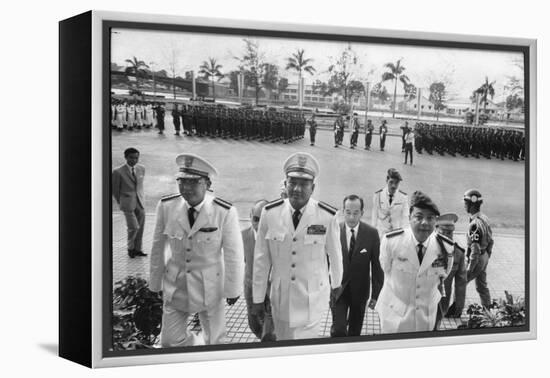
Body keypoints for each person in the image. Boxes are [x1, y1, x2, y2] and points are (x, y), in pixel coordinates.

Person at [148, 153, 244, 346]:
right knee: (169, 341)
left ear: (207, 185)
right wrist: (154, 284)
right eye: (181, 182)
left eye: (194, 182)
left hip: (209, 285)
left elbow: (234, 254)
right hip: (176, 285)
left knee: (216, 341)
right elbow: (157, 247)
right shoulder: (167, 206)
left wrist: (233, 289)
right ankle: (196, 347)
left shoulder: (223, 211)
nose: (186, 188)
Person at [251, 152, 343, 340]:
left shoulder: (326, 216)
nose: (297, 189)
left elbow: (335, 256)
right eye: (292, 182)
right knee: (284, 345)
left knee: (305, 350)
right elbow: (261, 260)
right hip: (281, 299)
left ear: (313, 187)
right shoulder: (270, 213)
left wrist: (336, 286)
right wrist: (258, 298)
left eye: (303, 184)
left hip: (312, 300)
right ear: (285, 184)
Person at [375, 191, 454, 333]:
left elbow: (444, 274)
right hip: (394, 315)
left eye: (430, 218)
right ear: (409, 217)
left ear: (435, 222)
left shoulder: (445, 247)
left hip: (425, 318)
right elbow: (385, 268)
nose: (424, 223)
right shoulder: (392, 241)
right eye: (419, 217)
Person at [330, 195, 383, 337]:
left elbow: (377, 266)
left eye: (356, 213)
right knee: (338, 329)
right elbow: (326, 261)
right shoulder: (334, 230)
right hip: (338, 290)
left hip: (360, 292)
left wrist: (375, 295)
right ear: (343, 211)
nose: (352, 217)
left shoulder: (372, 234)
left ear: (362, 213)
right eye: (348, 212)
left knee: (355, 332)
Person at [242, 200, 276, 342]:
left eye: (263, 220)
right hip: (251, 289)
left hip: (271, 290)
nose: (259, 224)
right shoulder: (242, 236)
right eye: (255, 219)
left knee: (269, 332)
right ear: (250, 217)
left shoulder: (277, 237)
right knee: (254, 324)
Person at [112, 147, 146, 258]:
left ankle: (138, 249)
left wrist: (140, 198)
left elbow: (140, 186)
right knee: (134, 227)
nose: (134, 160)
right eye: (131, 158)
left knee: (140, 227)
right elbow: (115, 190)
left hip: (140, 202)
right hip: (127, 203)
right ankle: (130, 248)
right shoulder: (118, 171)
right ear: (126, 157)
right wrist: (122, 202)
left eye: (136, 158)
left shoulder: (141, 168)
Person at [463, 189, 494, 308]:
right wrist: (487, 256)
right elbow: (491, 240)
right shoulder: (484, 218)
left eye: (466, 203)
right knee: (482, 285)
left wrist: (470, 268)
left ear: (471, 205)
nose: (464, 206)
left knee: (462, 283)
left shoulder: (474, 224)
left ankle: (456, 310)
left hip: (477, 259)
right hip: (484, 255)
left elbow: (474, 250)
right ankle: (487, 312)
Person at [435, 213, 467, 319]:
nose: (448, 236)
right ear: (436, 231)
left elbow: (461, 284)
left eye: (449, 233)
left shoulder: (458, 253)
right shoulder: (425, 249)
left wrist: (458, 308)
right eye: (444, 233)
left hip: (442, 306)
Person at [371, 168, 409, 237]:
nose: (393, 186)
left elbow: (405, 218)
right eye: (391, 182)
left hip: (396, 234)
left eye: (396, 183)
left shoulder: (403, 197)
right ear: (387, 180)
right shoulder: (378, 195)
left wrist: (405, 235)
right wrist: (373, 234)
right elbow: (374, 216)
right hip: (381, 234)